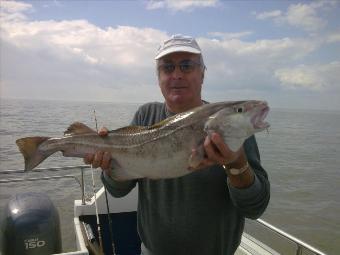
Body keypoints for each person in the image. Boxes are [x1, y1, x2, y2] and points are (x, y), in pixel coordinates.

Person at [84, 34, 270, 255]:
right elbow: (118, 191)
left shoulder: (235, 130)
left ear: (202, 74)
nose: (177, 75)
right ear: (159, 77)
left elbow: (255, 207)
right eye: (168, 67)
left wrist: (236, 164)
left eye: (186, 66)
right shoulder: (146, 115)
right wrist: (109, 168)